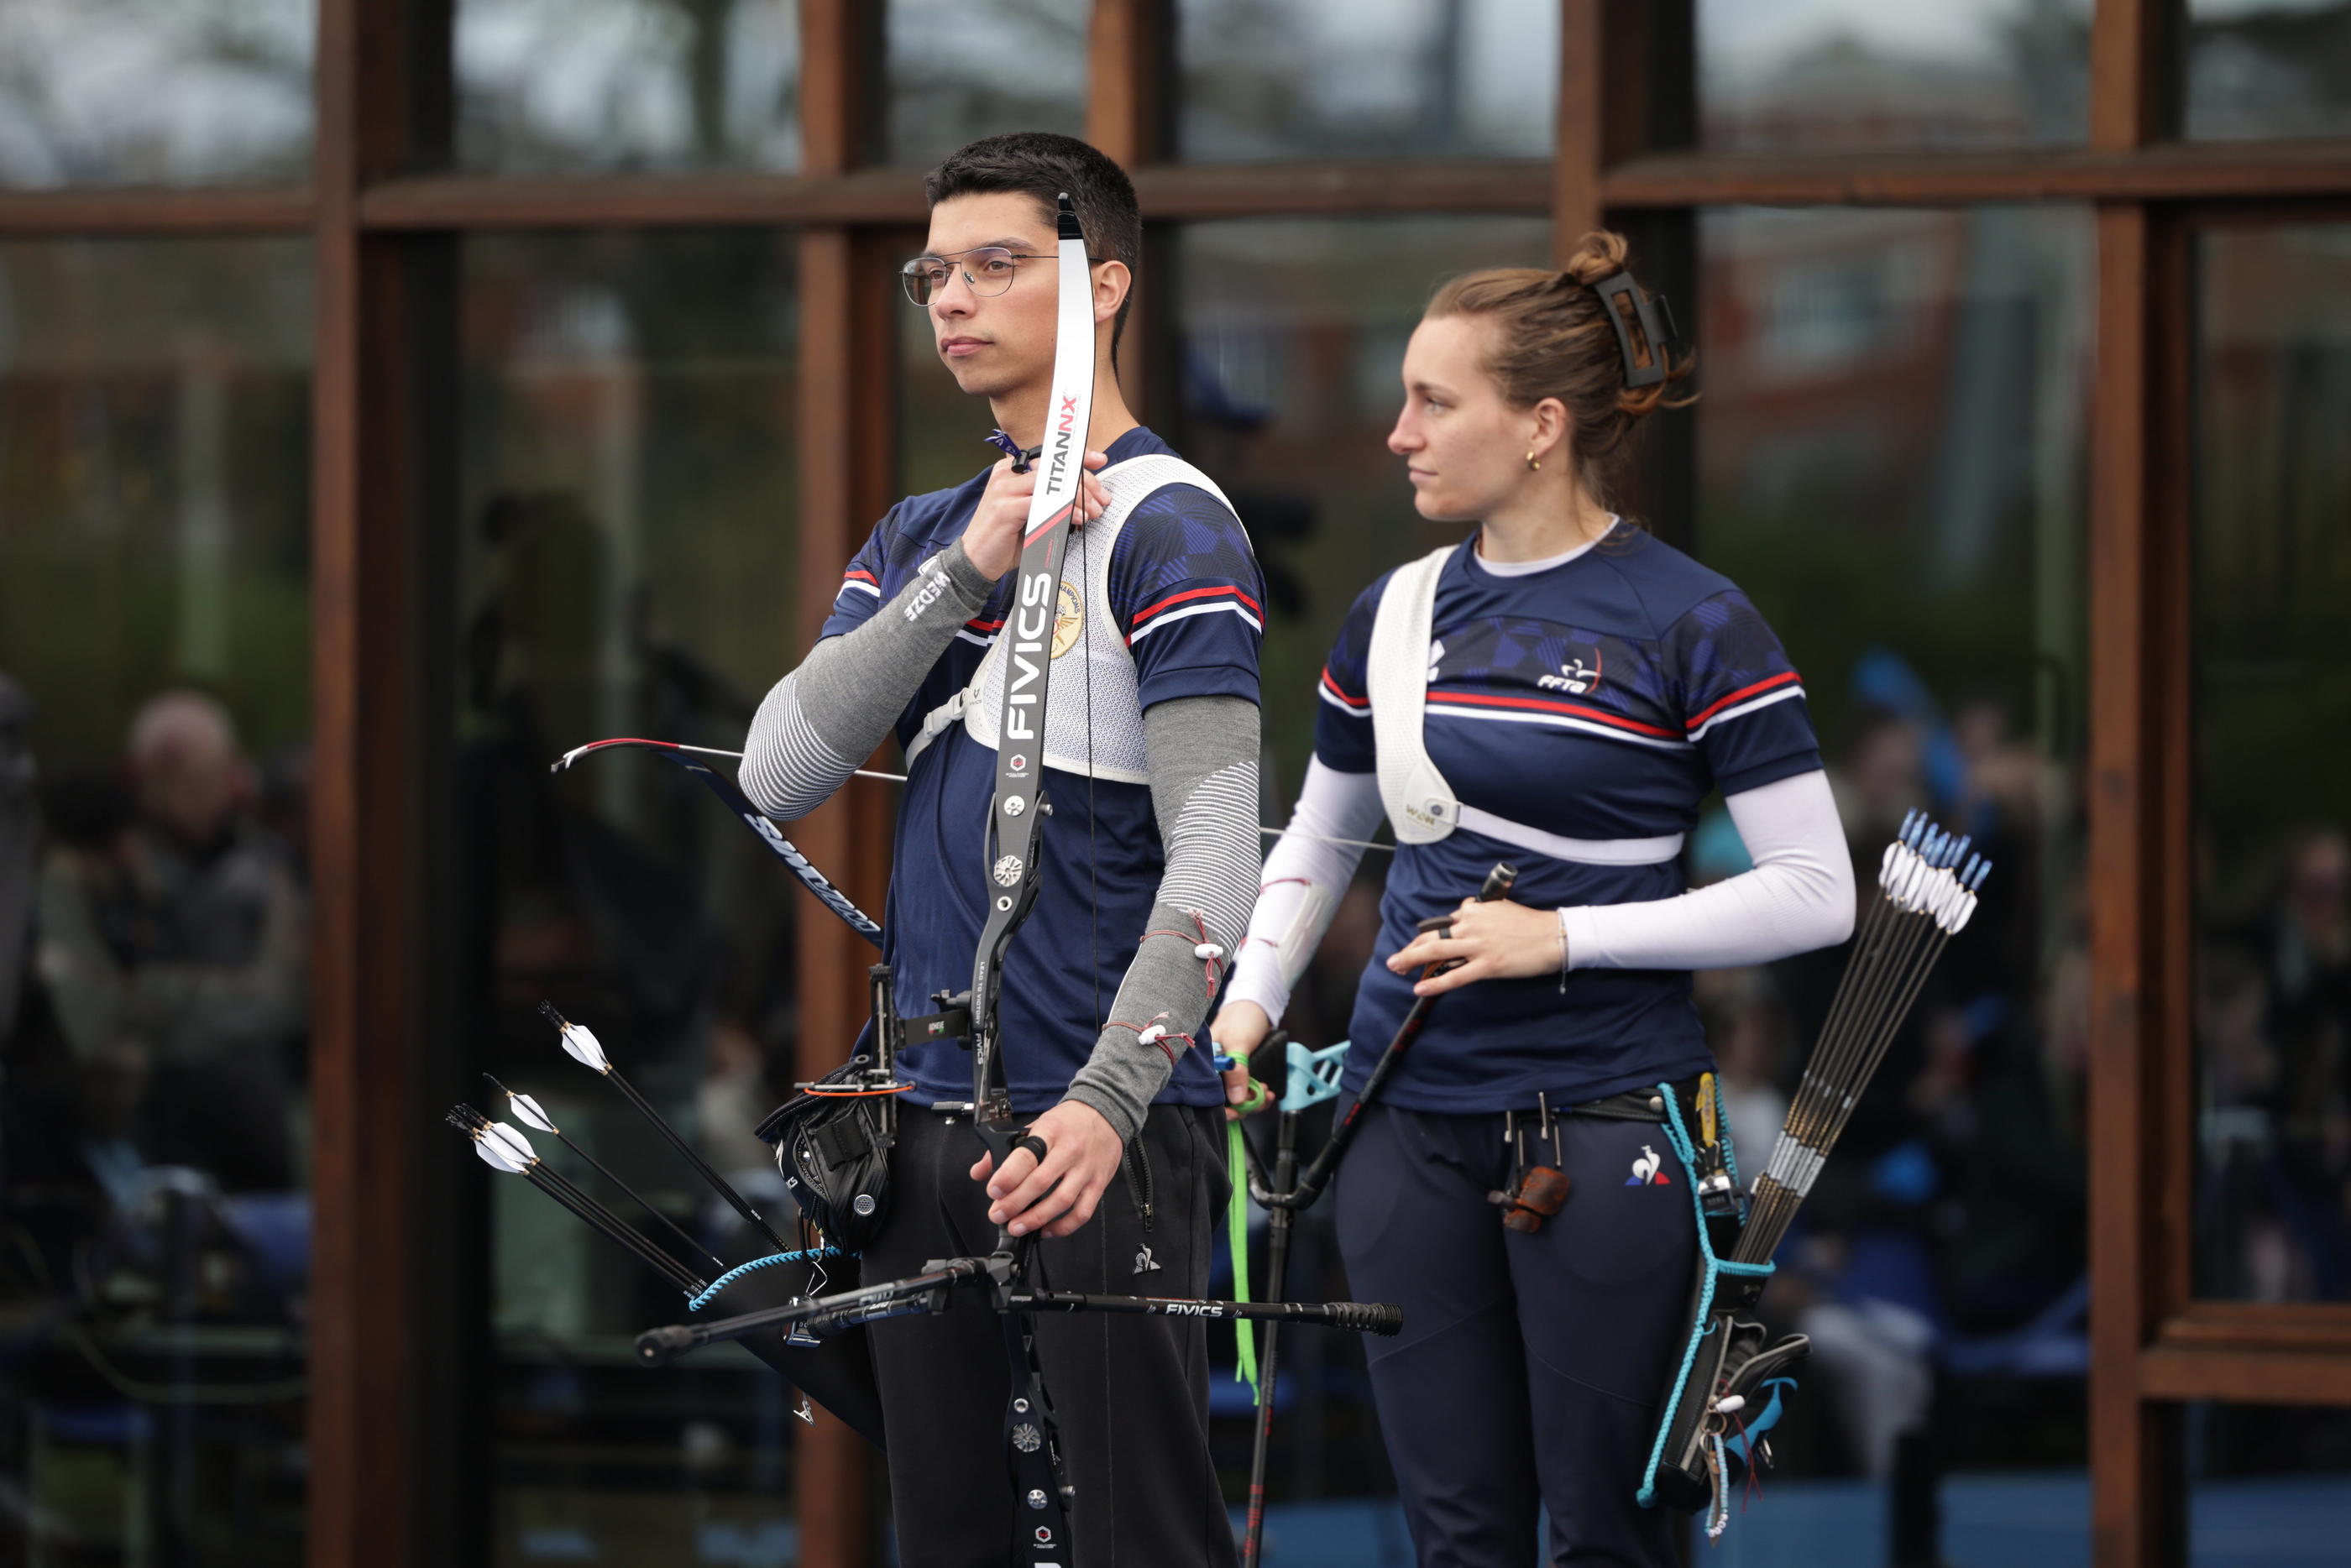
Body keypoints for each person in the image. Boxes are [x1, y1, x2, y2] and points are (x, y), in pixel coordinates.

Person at [1214, 233, 1855, 1567]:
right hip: (1403, 1124)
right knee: (1456, 1535)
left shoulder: (1692, 620)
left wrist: (1566, 936)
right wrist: (1250, 1002)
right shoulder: (1391, 615)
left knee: (1606, 1534)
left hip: (1610, 1122)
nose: (1398, 434)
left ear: (1543, 425)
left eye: (1434, 403)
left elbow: (1817, 894)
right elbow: (1320, 837)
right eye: (1402, 399)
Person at [739, 132, 1263, 1566]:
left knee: (1137, 1539)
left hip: (1100, 1125)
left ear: (1104, 286)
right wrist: (966, 563)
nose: (951, 298)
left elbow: (1218, 845)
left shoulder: (1176, 523)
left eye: (996, 265)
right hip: (920, 1121)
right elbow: (779, 767)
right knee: (955, 1540)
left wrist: (1107, 1099)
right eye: (933, 273)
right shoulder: (926, 527)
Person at [36, 690, 307, 1190]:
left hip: (254, 1123)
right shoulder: (111, 872)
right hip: (141, 1125)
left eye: (206, 778)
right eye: (171, 780)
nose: (192, 796)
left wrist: (153, 999)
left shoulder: (267, 869)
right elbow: (99, 1011)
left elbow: (283, 998)